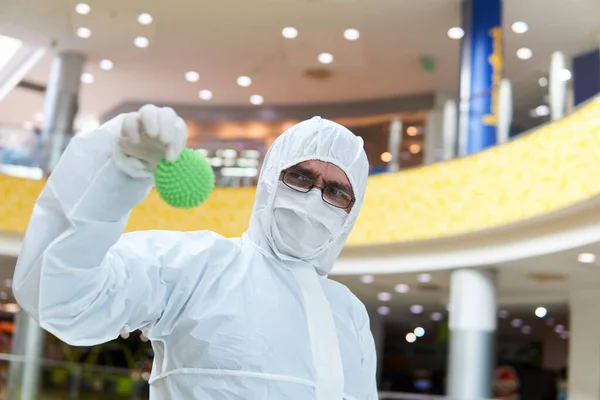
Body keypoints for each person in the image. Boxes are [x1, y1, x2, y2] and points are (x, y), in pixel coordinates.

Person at [13, 105, 376, 399]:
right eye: (299, 176)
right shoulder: (197, 264)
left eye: (337, 191)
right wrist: (117, 168)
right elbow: (63, 297)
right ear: (268, 180)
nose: (314, 197)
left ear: (350, 212)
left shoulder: (349, 312)